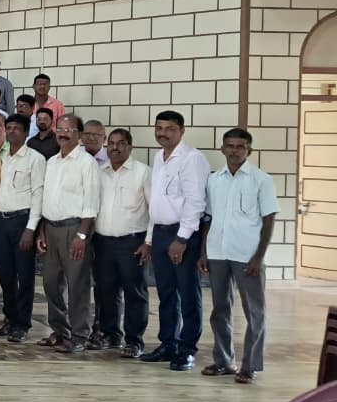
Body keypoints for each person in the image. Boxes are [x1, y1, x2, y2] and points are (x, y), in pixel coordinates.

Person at [200, 128, 277, 384]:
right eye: (230, 146)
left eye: (240, 146)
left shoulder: (261, 180)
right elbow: (208, 218)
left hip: (247, 255)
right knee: (220, 309)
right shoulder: (214, 180)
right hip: (218, 252)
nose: (234, 151)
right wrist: (204, 251)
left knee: (254, 312)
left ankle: (250, 365)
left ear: (249, 151)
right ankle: (224, 361)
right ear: (222, 149)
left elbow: (269, 220)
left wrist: (258, 257)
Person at [141, 111, 210, 372]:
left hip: (182, 235)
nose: (163, 133)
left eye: (170, 128)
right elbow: (157, 201)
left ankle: (187, 349)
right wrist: (150, 239)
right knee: (166, 292)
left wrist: (181, 238)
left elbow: (195, 201)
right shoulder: (159, 157)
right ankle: (168, 343)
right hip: (160, 233)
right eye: (159, 128)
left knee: (188, 293)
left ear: (182, 130)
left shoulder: (192, 159)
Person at [36, 114, 101, 353]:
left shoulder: (87, 163)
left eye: (69, 130)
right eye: (60, 129)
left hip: (74, 229)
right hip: (51, 228)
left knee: (77, 285)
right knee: (50, 283)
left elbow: (91, 203)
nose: (63, 134)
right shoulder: (52, 162)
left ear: (79, 135)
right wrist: (42, 231)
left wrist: (82, 236)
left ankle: (80, 335)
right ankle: (60, 331)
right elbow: (46, 199)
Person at [93, 128, 151, 356]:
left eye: (121, 143)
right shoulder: (99, 172)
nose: (115, 148)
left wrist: (148, 242)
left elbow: (154, 210)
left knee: (134, 292)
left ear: (130, 146)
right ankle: (111, 335)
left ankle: (134, 340)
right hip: (103, 242)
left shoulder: (143, 172)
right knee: (106, 291)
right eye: (111, 143)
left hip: (132, 242)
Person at [0, 114, 46, 344]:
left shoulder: (35, 158)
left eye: (17, 128)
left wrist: (31, 229)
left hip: (22, 221)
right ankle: (10, 318)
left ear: (25, 132)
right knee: (5, 275)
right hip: (0, 220)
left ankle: (22, 324)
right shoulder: (0, 157)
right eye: (9, 127)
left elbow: (38, 195)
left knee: (24, 275)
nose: (12, 131)